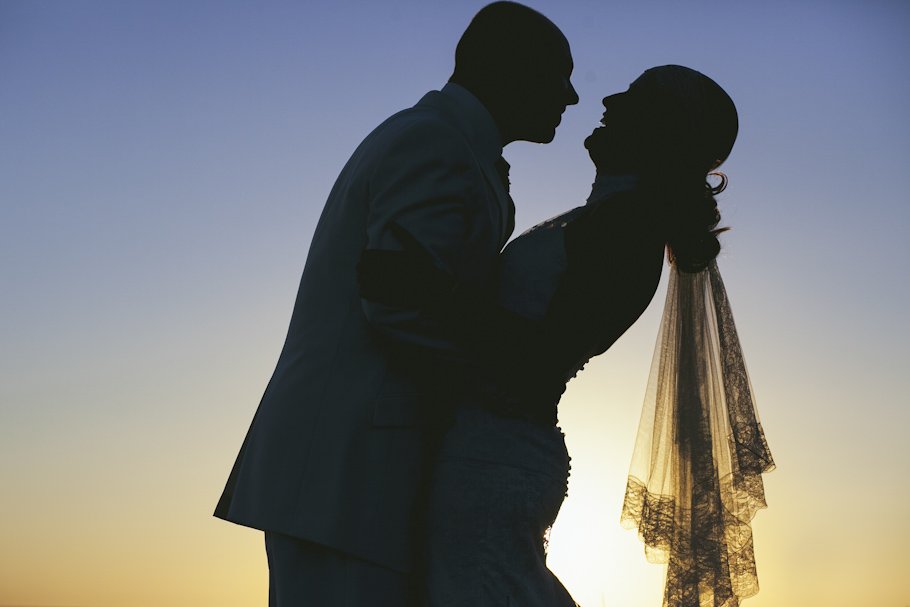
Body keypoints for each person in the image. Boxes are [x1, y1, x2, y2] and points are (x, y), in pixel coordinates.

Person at [360, 65, 773, 607]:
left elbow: (535, 362)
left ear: (659, 132)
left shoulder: (627, 231)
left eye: (633, 97)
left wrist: (429, 290)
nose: (608, 100)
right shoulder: (608, 218)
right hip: (485, 448)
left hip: (494, 459)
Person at [213, 2, 578, 605]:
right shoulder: (433, 142)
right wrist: (509, 383)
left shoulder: (453, 143)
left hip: (368, 473)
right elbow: (400, 304)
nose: (570, 96)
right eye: (557, 75)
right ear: (509, 68)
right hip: (348, 469)